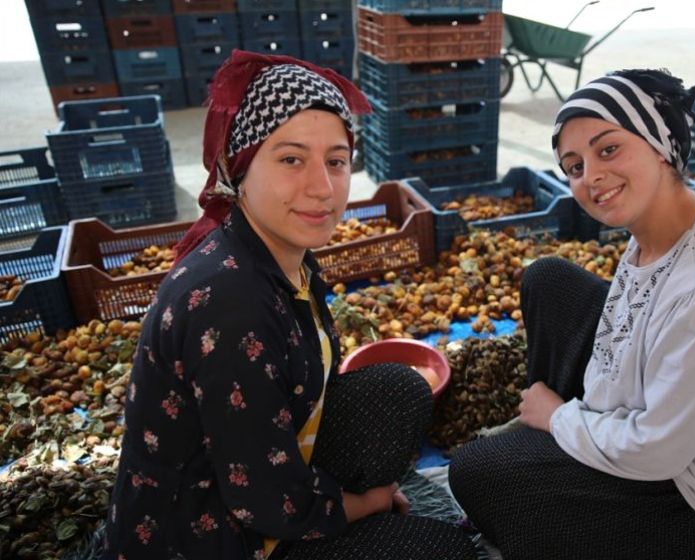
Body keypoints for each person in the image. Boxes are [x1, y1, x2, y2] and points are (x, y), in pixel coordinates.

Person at [102, 50, 479, 560]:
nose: (322, 188)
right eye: (291, 159)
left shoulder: (280, 254)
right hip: (211, 536)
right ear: (240, 168)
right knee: (441, 552)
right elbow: (264, 502)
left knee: (398, 389)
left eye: (336, 161)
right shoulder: (230, 305)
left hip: (257, 477)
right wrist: (367, 504)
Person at [448, 69, 695, 560]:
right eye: (573, 166)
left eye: (609, 149)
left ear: (661, 146)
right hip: (665, 431)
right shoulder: (661, 229)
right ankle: (561, 442)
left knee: (477, 471)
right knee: (548, 278)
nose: (591, 176)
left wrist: (558, 418)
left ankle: (554, 446)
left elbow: (658, 451)